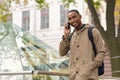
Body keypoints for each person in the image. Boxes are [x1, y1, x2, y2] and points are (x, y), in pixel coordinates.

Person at [59, 9, 107, 80]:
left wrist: (90, 66)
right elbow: (62, 52)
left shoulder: (93, 31)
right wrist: (66, 35)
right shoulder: (71, 36)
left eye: (74, 17)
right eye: (70, 19)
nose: (72, 20)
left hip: (89, 77)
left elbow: (101, 52)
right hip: (74, 77)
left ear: (80, 17)